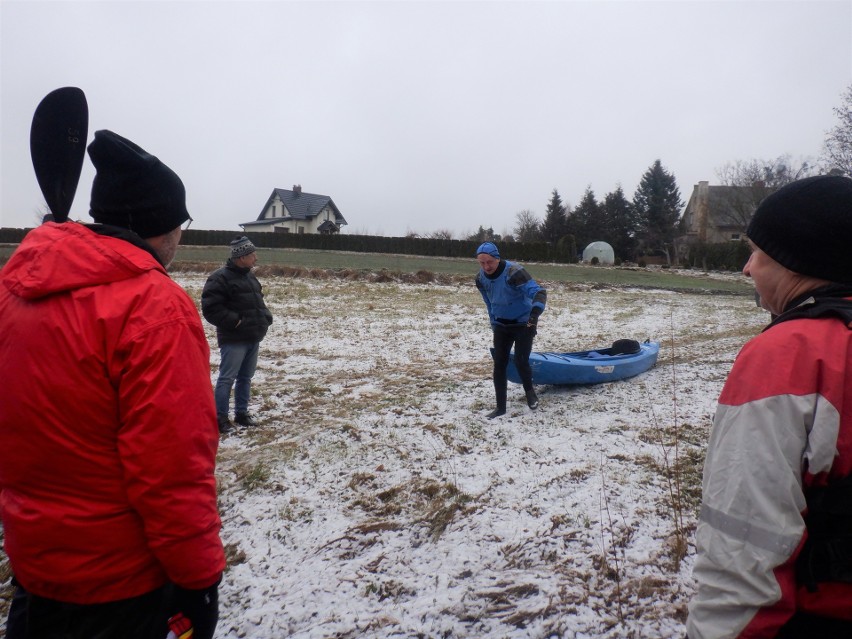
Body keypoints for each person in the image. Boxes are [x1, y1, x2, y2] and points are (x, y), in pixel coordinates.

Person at [0, 130, 224, 639]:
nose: (181, 236)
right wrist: (199, 581)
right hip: (117, 586)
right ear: (161, 227)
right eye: (180, 223)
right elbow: (171, 471)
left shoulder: (15, 288)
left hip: (33, 564)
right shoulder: (156, 308)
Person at [686, 175, 852, 638]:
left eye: (757, 252)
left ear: (798, 261)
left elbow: (743, 546)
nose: (746, 268)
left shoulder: (790, 353)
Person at [202, 235, 273, 434]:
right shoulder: (219, 278)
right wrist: (236, 322)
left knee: (245, 378)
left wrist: (266, 316)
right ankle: (220, 419)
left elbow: (258, 301)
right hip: (234, 339)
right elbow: (211, 309)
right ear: (241, 257)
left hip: (253, 337)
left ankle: (242, 414)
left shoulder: (249, 276)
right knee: (227, 378)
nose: (256, 258)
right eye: (252, 255)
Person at [475, 241, 547, 418]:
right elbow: (488, 302)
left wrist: (534, 316)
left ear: (497, 258)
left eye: (489, 262)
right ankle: (500, 407)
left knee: (522, 360)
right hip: (501, 325)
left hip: (524, 323)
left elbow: (539, 292)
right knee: (499, 364)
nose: (486, 266)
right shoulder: (480, 279)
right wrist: (493, 322)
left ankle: (530, 393)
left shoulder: (514, 272)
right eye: (482, 263)